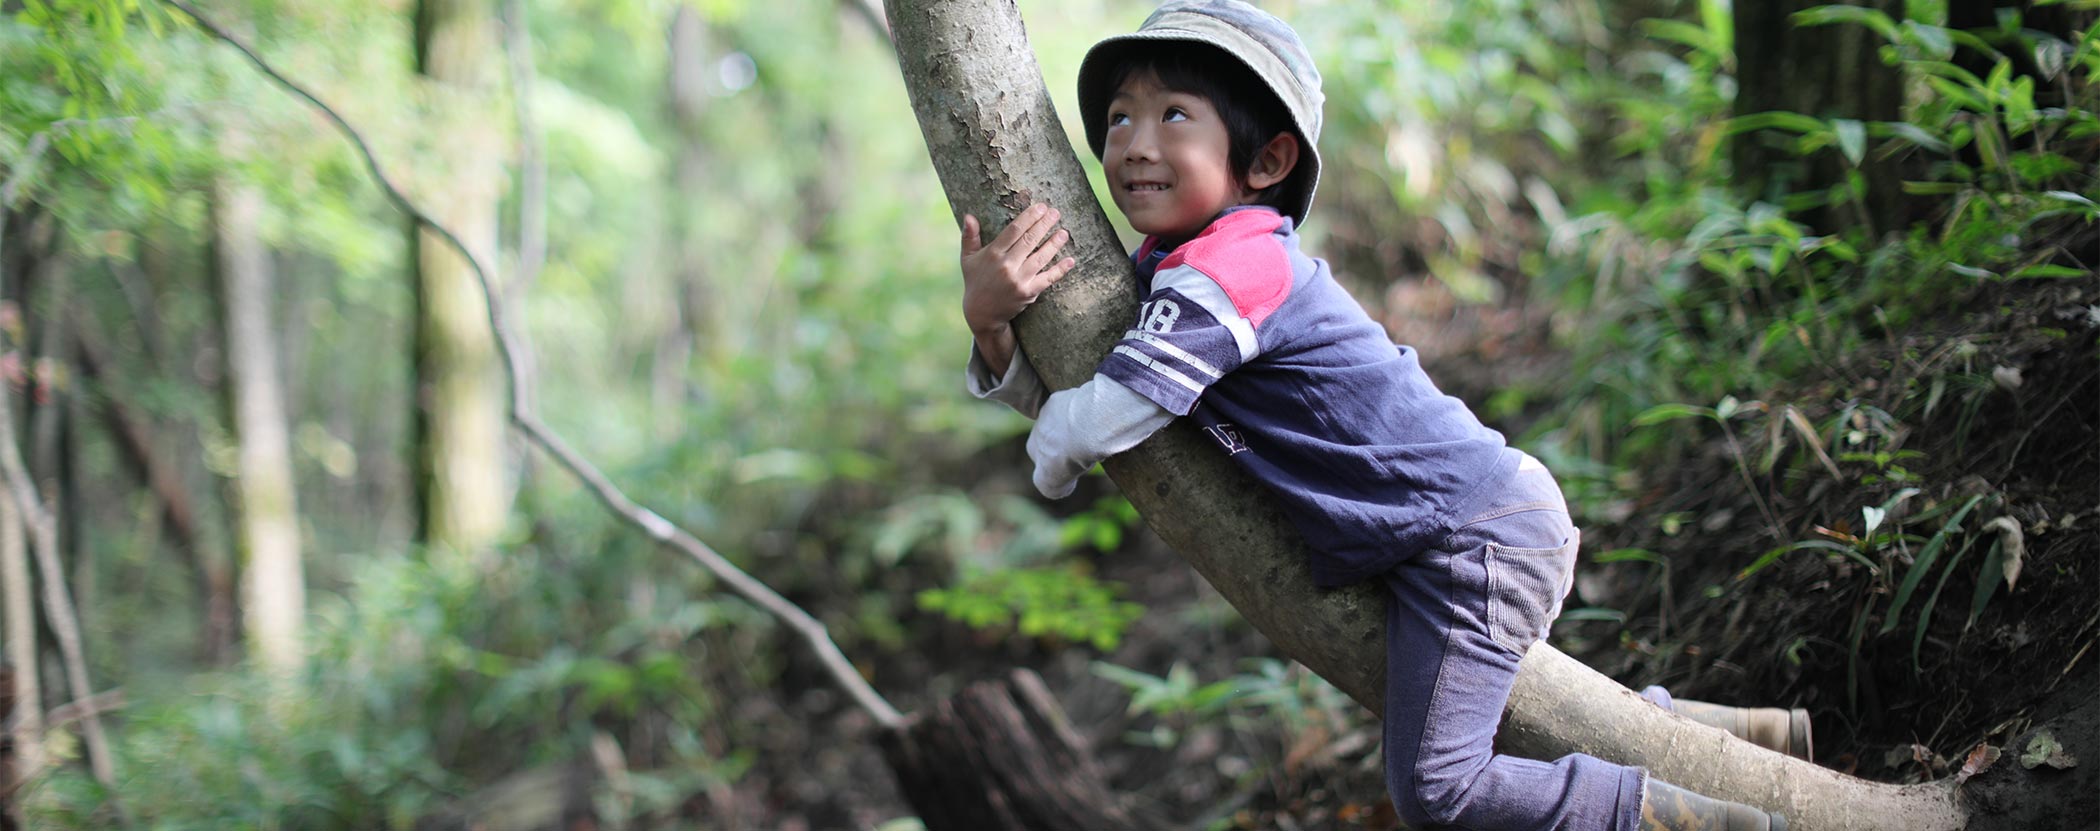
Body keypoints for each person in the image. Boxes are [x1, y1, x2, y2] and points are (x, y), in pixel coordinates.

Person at [956, 2, 1800, 829]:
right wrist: (991, 323)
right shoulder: (1174, 274)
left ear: (1267, 158)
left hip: (1474, 538)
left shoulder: (1236, 268)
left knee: (1439, 787)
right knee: (1491, 715)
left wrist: (1054, 457)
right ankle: (1757, 740)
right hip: (1458, 531)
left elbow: (1108, 411)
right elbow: (1091, 387)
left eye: (1173, 113)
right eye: (1118, 117)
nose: (1133, 143)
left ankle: (1682, 819)